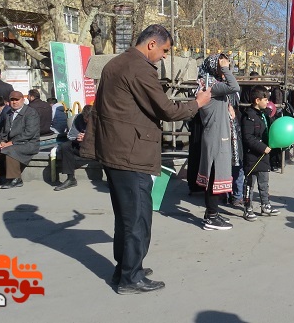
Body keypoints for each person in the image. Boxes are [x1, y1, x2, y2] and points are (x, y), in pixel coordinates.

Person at [80, 24, 211, 294]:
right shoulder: (138, 68)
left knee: (126, 217)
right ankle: (131, 278)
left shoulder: (117, 63)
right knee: (138, 218)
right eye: (164, 50)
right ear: (151, 44)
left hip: (118, 152)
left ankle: (127, 267)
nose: (164, 56)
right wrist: (197, 103)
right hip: (131, 154)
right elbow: (166, 109)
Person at [196, 53, 240, 230]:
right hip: (215, 137)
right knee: (214, 175)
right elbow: (234, 86)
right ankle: (211, 217)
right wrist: (225, 68)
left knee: (216, 174)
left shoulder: (210, 84)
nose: (226, 66)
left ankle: (211, 213)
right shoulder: (210, 86)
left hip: (216, 134)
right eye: (221, 64)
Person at [0, 91, 40, 189]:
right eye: (12, 100)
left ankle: (16, 178)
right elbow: (4, 131)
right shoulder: (9, 113)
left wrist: (11, 143)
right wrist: (2, 141)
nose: (14, 102)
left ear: (23, 100)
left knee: (10, 151)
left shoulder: (31, 113)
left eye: (17, 100)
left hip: (28, 143)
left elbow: (29, 133)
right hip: (11, 143)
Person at [241, 85, 279, 220]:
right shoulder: (248, 116)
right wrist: (262, 147)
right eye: (265, 100)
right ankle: (248, 208)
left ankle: (265, 205)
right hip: (252, 155)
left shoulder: (264, 115)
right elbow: (248, 138)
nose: (268, 102)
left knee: (264, 183)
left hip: (264, 156)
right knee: (249, 184)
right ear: (257, 100)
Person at [54, 105, 92, 191]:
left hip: (96, 148)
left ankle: (111, 179)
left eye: (89, 120)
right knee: (65, 146)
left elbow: (106, 138)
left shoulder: (101, 119)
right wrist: (77, 138)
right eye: (85, 120)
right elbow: (70, 136)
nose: (86, 122)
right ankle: (70, 179)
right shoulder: (78, 118)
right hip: (81, 147)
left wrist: (88, 137)